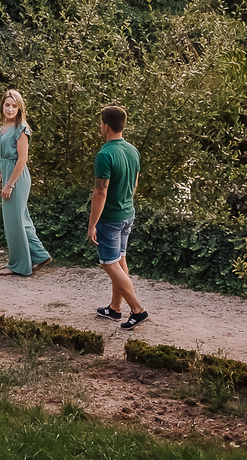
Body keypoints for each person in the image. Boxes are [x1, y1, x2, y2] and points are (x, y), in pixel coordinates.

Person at [89, 105, 149, 329]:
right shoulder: (133, 150)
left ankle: (137, 310)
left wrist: (92, 224)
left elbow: (101, 191)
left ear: (105, 126)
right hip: (128, 213)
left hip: (111, 218)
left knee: (109, 264)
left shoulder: (105, 154)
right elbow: (134, 183)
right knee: (120, 259)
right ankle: (115, 309)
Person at [0, 90, 53, 277]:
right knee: (21, 219)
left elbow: (22, 159)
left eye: (14, 106)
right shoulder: (4, 127)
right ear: (2, 105)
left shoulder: (21, 129)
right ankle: (40, 255)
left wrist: (9, 184)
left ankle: (18, 265)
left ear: (20, 108)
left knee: (14, 222)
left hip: (18, 178)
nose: (10, 109)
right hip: (7, 173)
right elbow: (3, 156)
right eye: (7, 105)